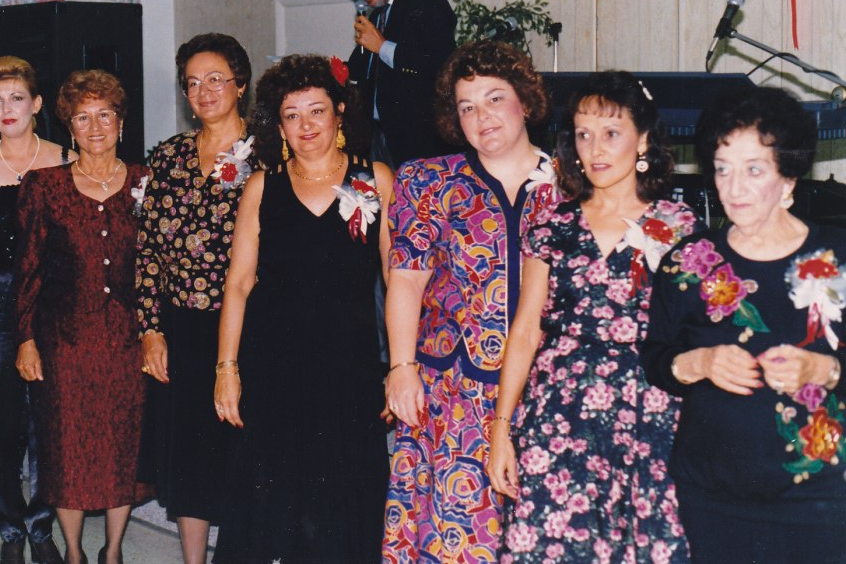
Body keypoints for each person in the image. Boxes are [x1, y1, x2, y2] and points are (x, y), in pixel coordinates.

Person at [486, 71, 699, 562]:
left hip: (649, 414)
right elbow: (525, 331)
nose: (595, 149)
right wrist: (502, 428)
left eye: (611, 133)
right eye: (583, 134)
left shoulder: (679, 227)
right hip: (558, 412)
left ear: (642, 139)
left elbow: (693, 335)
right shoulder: (552, 224)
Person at [642, 87, 846, 563]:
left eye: (753, 170)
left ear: (788, 174)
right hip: (713, 495)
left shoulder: (837, 257)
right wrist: (698, 362)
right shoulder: (688, 262)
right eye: (722, 169)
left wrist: (826, 370)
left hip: (820, 494)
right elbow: (656, 358)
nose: (733, 189)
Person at [212, 54, 392, 563]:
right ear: (279, 125)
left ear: (339, 112)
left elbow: (398, 281)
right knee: (270, 498)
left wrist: (402, 365)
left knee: (344, 501)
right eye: (292, 115)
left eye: (316, 111)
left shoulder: (375, 179)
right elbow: (238, 284)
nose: (306, 125)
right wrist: (226, 369)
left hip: (349, 366)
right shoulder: (261, 186)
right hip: (274, 366)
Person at [380, 40, 555, 562]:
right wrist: (401, 367)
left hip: (547, 385)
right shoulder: (430, 182)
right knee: (457, 535)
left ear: (524, 100)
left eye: (495, 98)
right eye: (467, 107)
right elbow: (405, 281)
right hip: (456, 389)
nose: (483, 117)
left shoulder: (572, 183)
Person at [14, 69, 149, 564]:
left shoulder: (144, 182)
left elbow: (156, 265)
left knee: (121, 447)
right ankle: (73, 551)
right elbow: (27, 268)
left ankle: (112, 550)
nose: (95, 127)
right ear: (69, 127)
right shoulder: (44, 185)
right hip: (64, 341)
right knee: (67, 447)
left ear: (121, 122)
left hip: (127, 341)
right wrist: (25, 338)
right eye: (82, 117)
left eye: (105, 115)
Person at [136, 33, 257, 564]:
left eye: (215, 79)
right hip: (180, 327)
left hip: (247, 327)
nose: (204, 91)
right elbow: (146, 250)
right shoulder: (168, 155)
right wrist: (150, 329)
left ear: (240, 84)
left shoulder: (268, 154)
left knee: (241, 449)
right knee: (188, 453)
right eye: (192, 83)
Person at [0, 56, 72, 564]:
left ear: (36, 104)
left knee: (50, 418)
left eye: (17, 98)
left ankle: (42, 526)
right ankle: (11, 530)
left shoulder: (67, 159)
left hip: (53, 299)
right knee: (1, 420)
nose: (7, 109)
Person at [336, 0, 457, 166]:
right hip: (376, 139)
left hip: (419, 143)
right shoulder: (377, 13)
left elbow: (438, 65)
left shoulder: (426, 0)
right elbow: (363, 71)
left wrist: (382, 47)